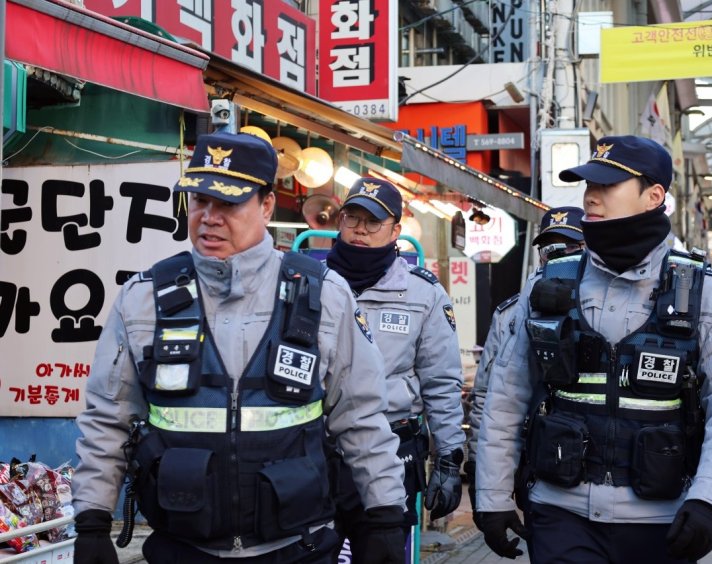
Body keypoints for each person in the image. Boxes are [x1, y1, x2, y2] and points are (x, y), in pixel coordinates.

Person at [70, 131, 407, 564]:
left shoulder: (324, 295)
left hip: (296, 548)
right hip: (182, 547)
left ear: (266, 206)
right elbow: (107, 420)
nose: (209, 218)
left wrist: (383, 518)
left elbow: (361, 419)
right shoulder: (143, 298)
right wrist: (92, 522)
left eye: (228, 204)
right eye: (199, 202)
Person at [475, 135, 712, 563]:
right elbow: (506, 396)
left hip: (662, 522)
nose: (591, 196)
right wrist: (493, 496)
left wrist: (711, 499)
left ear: (654, 196)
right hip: (560, 515)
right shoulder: (548, 285)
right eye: (588, 184)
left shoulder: (707, 294)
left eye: (607, 185)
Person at [325, 177, 465, 560]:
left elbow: (441, 381)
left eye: (373, 222)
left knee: (381, 552)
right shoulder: (308, 282)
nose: (360, 230)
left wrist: (450, 456)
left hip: (391, 451)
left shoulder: (424, 293)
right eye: (352, 218)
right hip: (315, 452)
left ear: (395, 231)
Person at [465, 206, 585, 515]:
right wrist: (482, 467)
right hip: (535, 458)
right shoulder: (511, 314)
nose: (560, 256)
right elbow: (488, 396)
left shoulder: (599, 311)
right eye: (551, 248)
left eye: (571, 247)